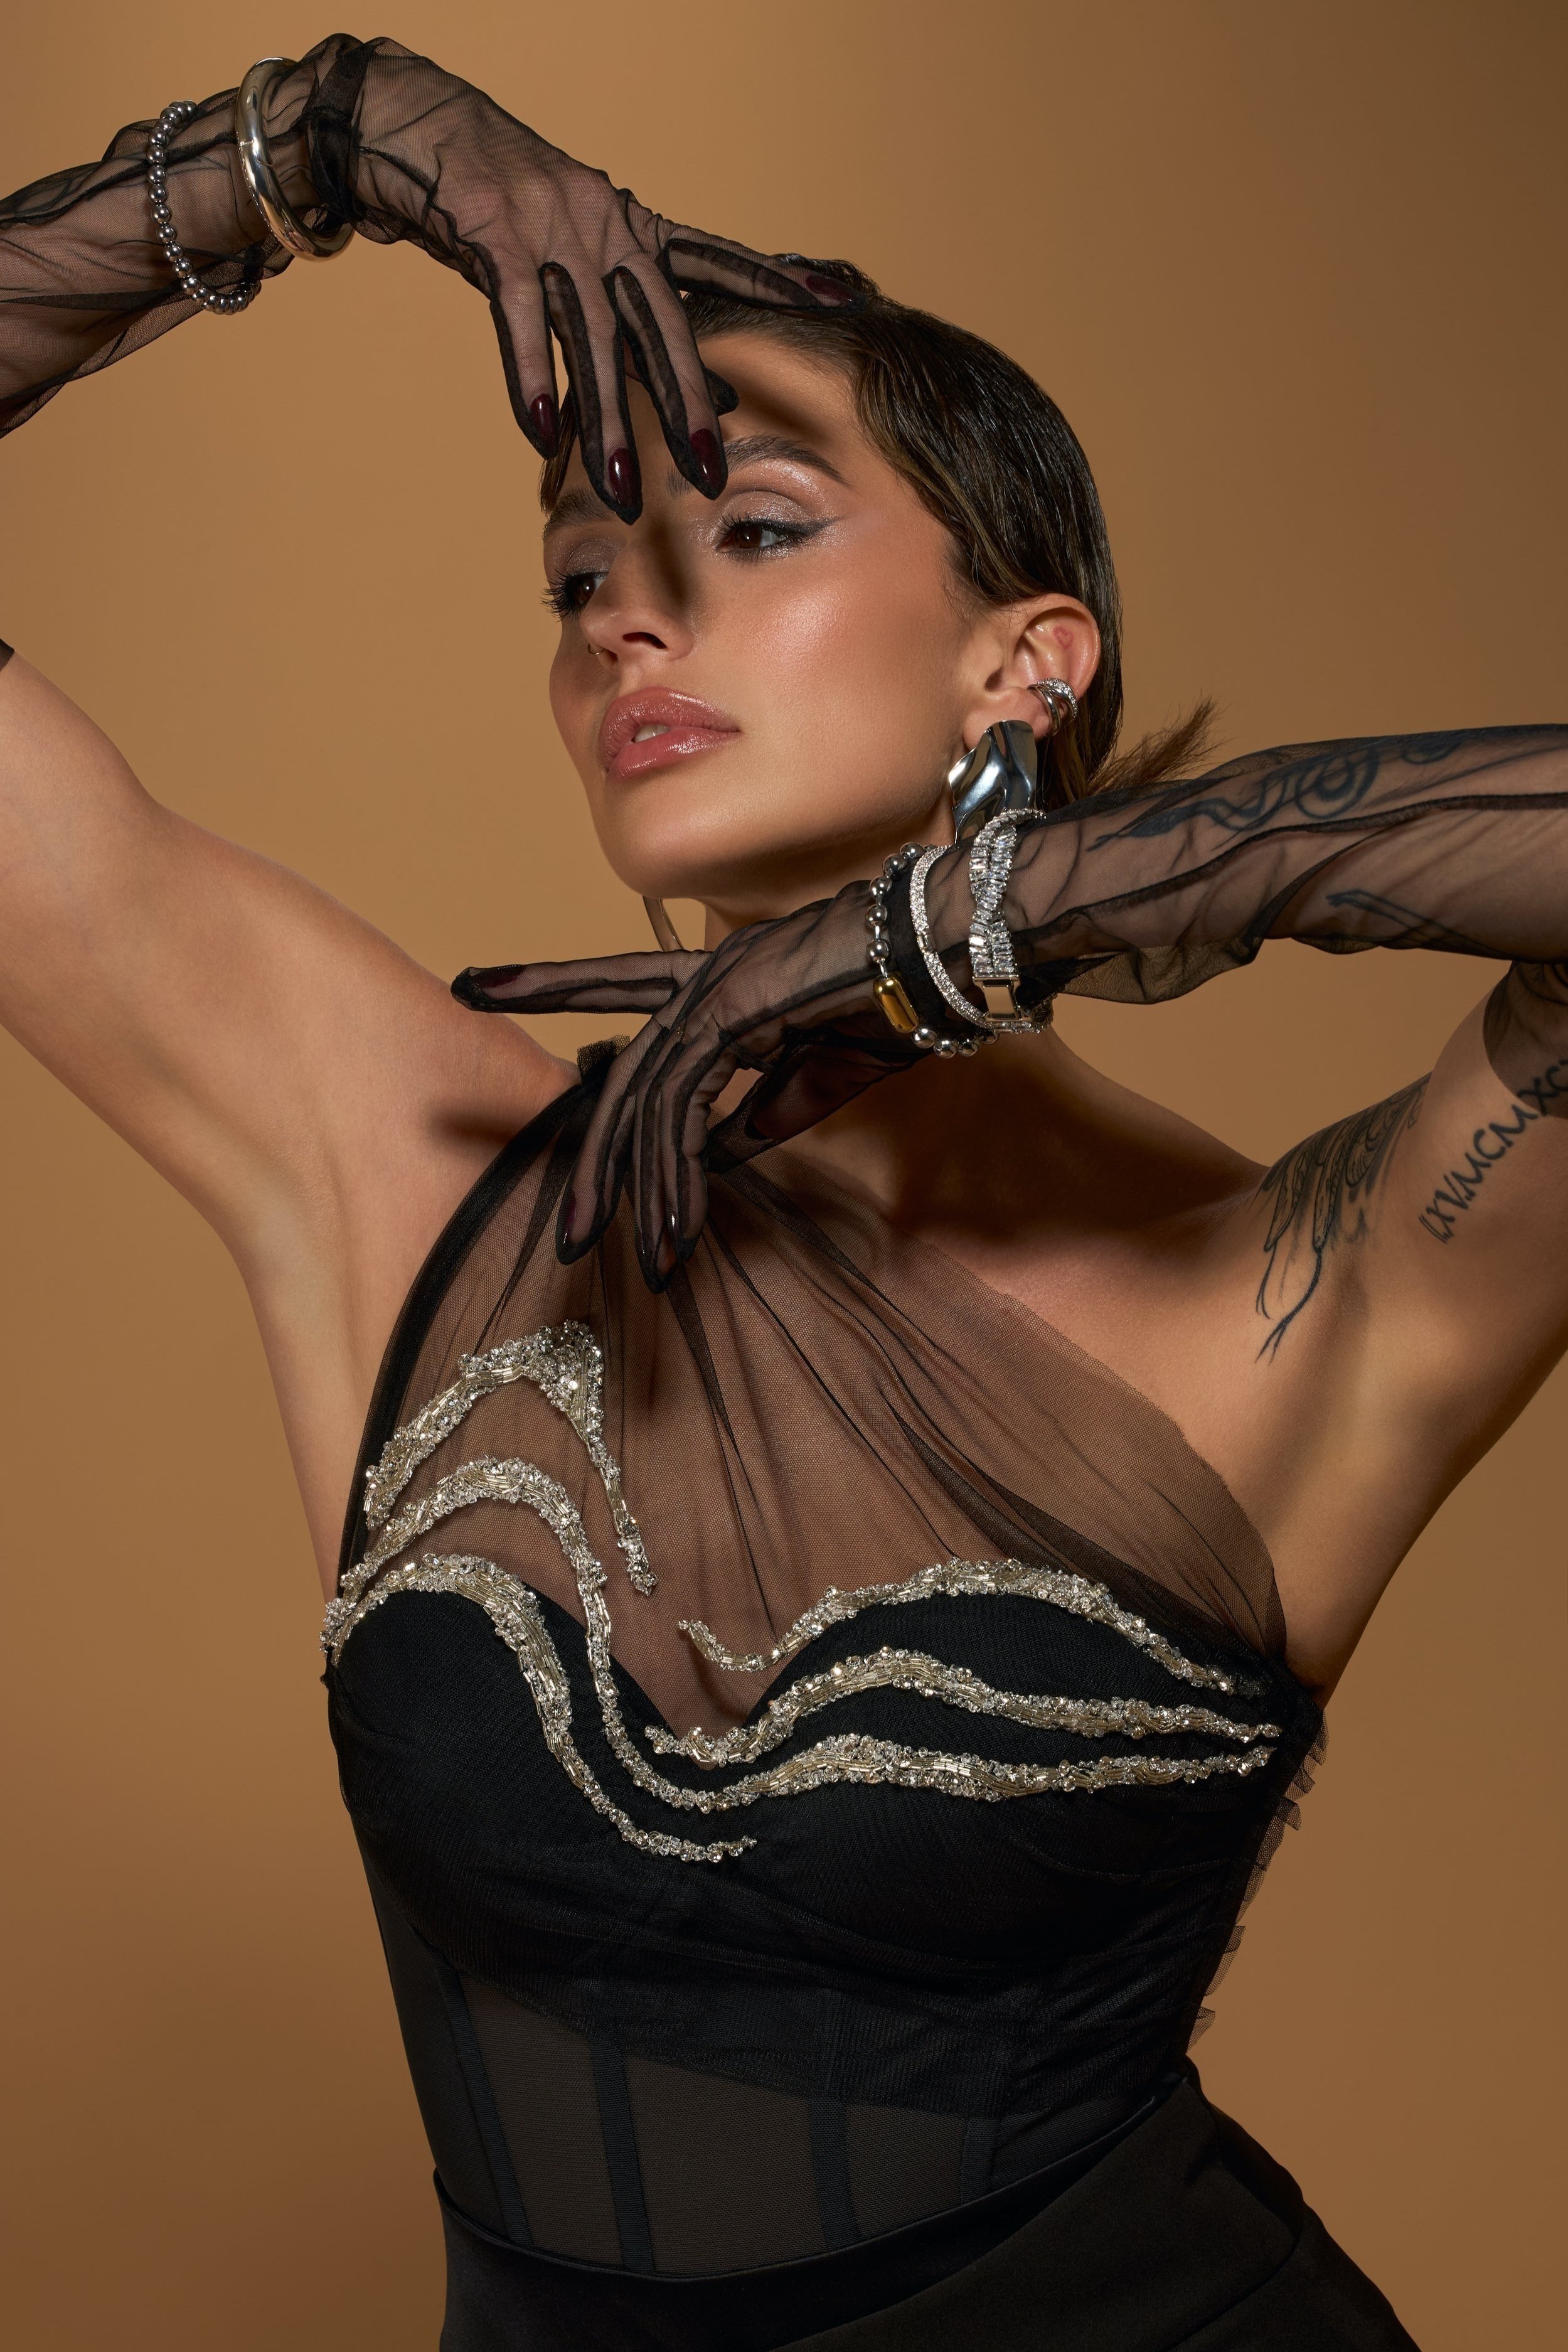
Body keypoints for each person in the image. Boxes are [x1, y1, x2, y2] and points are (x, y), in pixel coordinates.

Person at [3, 33, 1562, 2352]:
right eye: (577, 567)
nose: (625, 615)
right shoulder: (399, 1153)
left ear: (1025, 661)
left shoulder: (1297, 1297)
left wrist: (984, 926)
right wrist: (305, 155)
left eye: (747, 526)